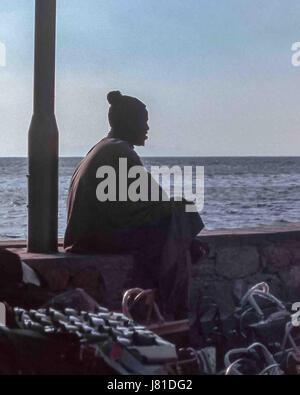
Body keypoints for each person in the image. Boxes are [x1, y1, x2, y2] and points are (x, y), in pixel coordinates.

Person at [64, 91, 204, 320]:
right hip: (96, 239)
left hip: (86, 237)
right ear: (127, 122)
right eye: (143, 121)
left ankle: (187, 249)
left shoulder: (103, 147)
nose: (147, 127)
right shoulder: (119, 151)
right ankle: (174, 310)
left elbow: (139, 203)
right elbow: (156, 200)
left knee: (175, 222)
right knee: (183, 211)